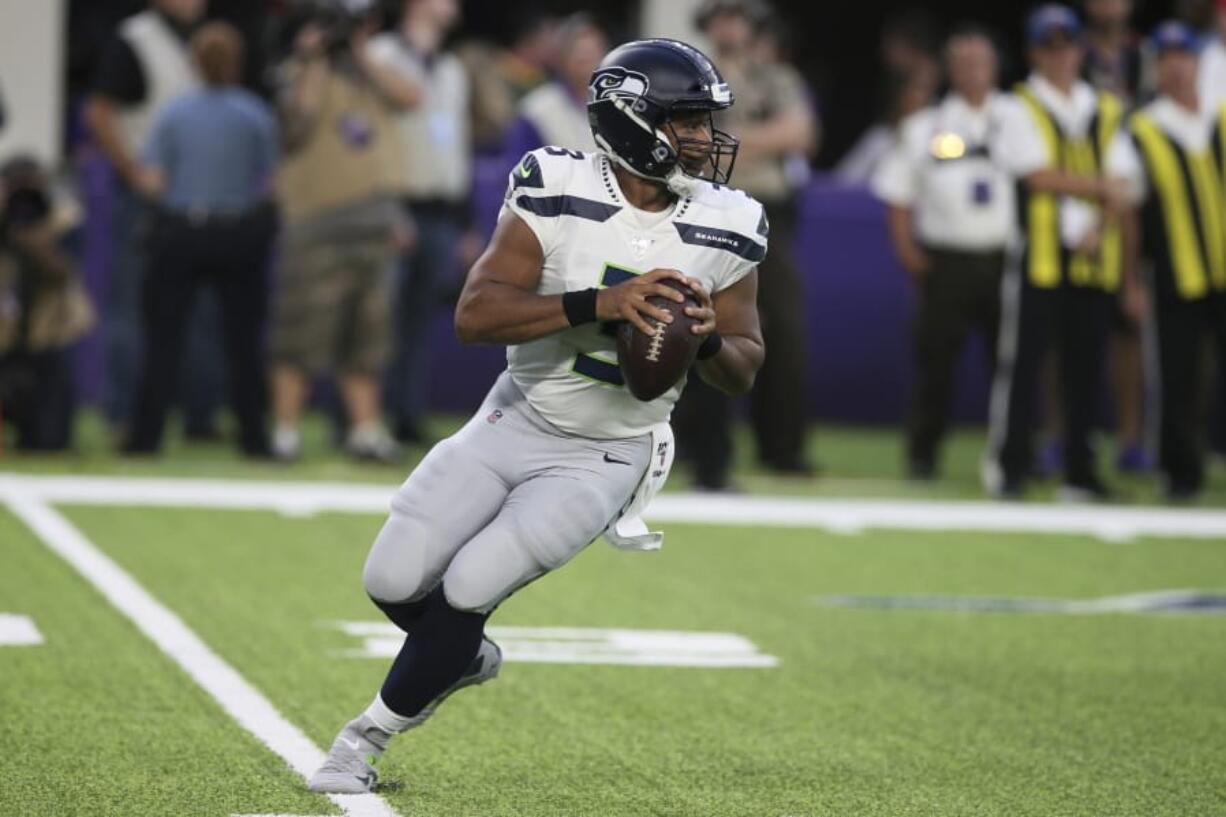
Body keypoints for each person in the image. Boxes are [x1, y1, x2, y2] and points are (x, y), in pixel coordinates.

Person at [307, 37, 766, 793]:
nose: (701, 139)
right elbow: (475, 314)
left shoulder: (731, 222)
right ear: (630, 119)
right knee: (392, 577)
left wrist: (706, 336)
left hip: (610, 448)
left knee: (469, 585)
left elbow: (745, 365)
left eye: (703, 122)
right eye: (684, 120)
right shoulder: (554, 183)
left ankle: (364, 739)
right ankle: (460, 657)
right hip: (515, 415)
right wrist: (601, 304)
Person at [983, 4, 1140, 500]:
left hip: (1092, 257)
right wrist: (1101, 191)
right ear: (1034, 53)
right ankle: (1011, 466)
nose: (1059, 56)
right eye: (1049, 47)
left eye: (1066, 45)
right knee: (1023, 365)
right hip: (1037, 255)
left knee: (1085, 368)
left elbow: (1126, 184)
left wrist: (1098, 222)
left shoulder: (1106, 108)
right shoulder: (1017, 105)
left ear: (1079, 49)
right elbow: (1036, 174)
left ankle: (1080, 471)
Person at [268, 2, 416, 462]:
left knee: (367, 335)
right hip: (317, 222)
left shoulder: (375, 73)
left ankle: (365, 431)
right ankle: (286, 431)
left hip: (374, 222)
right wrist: (313, 57)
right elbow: (299, 118)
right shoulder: (296, 71)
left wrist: (362, 52)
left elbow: (411, 97)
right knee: (299, 330)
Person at [123, 22, 278, 457]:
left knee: (163, 340)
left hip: (180, 233)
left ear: (194, 62)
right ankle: (255, 439)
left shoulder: (174, 113)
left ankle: (145, 438)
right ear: (236, 64)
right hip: (237, 234)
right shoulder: (254, 113)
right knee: (243, 343)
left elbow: (152, 179)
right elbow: (270, 181)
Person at [873, 27, 1015, 480]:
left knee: (1011, 365)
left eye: (981, 62)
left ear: (995, 68)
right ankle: (922, 456)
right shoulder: (924, 127)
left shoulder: (1019, 118)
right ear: (951, 71)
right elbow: (896, 194)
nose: (974, 72)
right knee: (935, 364)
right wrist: (909, 254)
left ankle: (1014, 456)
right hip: (946, 261)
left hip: (1006, 261)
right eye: (964, 63)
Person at [694, 0, 818, 477]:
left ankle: (783, 448)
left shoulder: (776, 77)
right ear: (709, 23)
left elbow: (802, 132)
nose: (730, 24)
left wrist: (730, 139)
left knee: (784, 329)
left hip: (767, 213)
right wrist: (766, 137)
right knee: (702, 324)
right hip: (707, 209)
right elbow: (693, 143)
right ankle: (701, 450)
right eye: (722, 15)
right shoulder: (694, 70)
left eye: (738, 15)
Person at [84, 0, 217, 439]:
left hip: (198, 199)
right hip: (150, 199)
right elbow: (99, 111)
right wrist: (133, 171)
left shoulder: (205, 39)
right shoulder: (134, 38)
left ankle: (198, 419)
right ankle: (122, 414)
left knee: (199, 312)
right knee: (131, 308)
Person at [1115, 21, 1226, 499]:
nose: (1178, 67)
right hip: (1174, 272)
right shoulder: (1142, 129)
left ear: (1200, 63)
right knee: (1178, 375)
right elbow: (1127, 214)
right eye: (1168, 59)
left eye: (1186, 57)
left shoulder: (1221, 117)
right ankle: (1180, 472)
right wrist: (1129, 281)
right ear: (1157, 67)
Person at [366, 0, 472, 445]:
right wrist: (386, 210)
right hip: (395, 205)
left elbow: (457, 143)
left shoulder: (451, 68)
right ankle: (359, 418)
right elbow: (368, 137)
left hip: (441, 207)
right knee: (375, 319)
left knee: (418, 321)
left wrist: (465, 221)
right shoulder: (379, 56)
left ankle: (406, 415)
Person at [0, 157, 96, 451]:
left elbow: (63, 274)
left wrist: (41, 239)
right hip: (5, 335)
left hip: (47, 333)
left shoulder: (61, 221)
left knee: (49, 440)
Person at [501, 14, 606, 158]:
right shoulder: (536, 110)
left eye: (592, 52)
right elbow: (519, 171)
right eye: (579, 54)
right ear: (562, 58)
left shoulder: (620, 106)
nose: (586, 60)